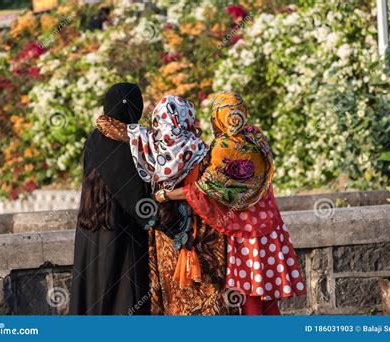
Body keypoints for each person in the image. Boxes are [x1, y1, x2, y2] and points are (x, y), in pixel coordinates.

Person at [159, 91, 306, 315]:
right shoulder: (256, 137)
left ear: (218, 116)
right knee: (267, 298)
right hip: (270, 227)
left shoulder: (223, 149)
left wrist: (165, 195)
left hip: (244, 234)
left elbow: (203, 190)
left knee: (250, 297)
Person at [96, 95, 236, 315]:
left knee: (174, 299)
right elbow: (214, 192)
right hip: (205, 236)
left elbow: (113, 128)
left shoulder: (151, 149)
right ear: (186, 118)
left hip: (168, 239)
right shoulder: (203, 151)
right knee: (209, 298)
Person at [70, 83, 154, 315]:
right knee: (122, 299)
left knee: (93, 295)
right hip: (119, 231)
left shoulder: (94, 138)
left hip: (91, 228)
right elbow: (136, 199)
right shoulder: (124, 144)